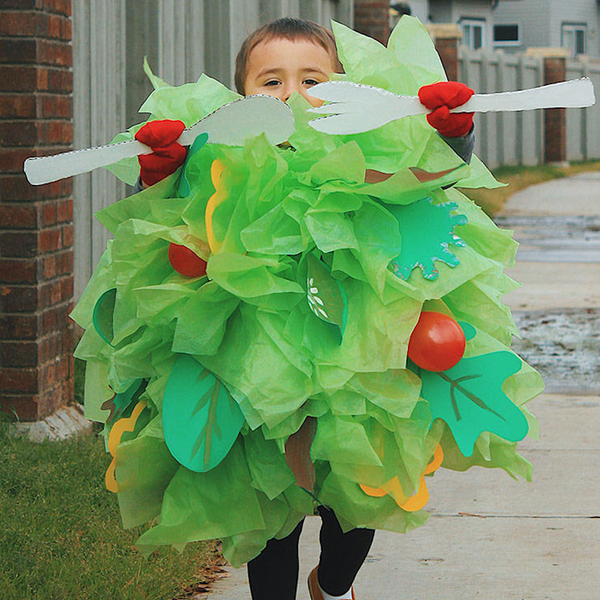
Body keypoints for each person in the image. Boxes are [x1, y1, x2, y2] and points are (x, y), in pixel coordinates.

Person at [130, 18, 477, 600]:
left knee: (356, 486)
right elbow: (178, 217)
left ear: (343, 86)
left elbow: (426, 174)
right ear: (241, 95)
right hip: (258, 357)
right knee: (269, 497)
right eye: (270, 81)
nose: (290, 94)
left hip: (356, 349)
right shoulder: (221, 156)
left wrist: (454, 133)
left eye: (311, 78)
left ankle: (334, 583)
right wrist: (163, 172)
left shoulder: (369, 147)